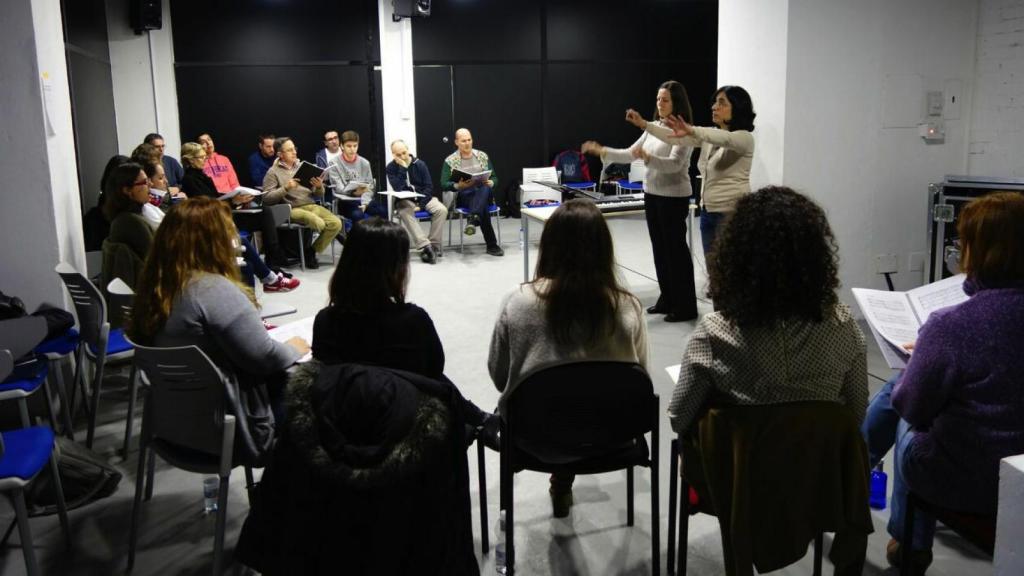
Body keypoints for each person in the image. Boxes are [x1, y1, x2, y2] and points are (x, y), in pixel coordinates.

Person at [862, 191, 1024, 574]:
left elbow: (912, 408)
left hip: (966, 478)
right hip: (1018, 471)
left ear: (980, 252)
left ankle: (907, 539)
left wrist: (922, 357)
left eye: (962, 244)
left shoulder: (952, 324)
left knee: (904, 402)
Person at [488, 199, 649, 517]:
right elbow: (639, 372)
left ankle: (560, 482)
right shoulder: (627, 306)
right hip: (613, 436)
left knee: (556, 400)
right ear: (604, 249)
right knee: (582, 397)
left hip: (535, 436)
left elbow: (498, 374)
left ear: (549, 246)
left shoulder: (518, 301)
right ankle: (561, 484)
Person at [668, 186, 866, 433]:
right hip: (817, 468)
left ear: (735, 258)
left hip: (741, 469)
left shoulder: (714, 335)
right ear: (816, 258)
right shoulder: (843, 327)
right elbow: (857, 415)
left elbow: (679, 418)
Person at [127, 197, 309, 423]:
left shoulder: (157, 285)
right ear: (213, 241)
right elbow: (266, 357)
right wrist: (294, 348)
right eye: (229, 231)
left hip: (173, 418)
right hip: (227, 421)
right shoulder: (213, 290)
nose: (235, 239)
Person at [312, 217, 495, 436]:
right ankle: (478, 418)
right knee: (441, 390)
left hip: (346, 427)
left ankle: (477, 416)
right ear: (396, 268)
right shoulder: (414, 321)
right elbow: (433, 371)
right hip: (407, 430)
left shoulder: (325, 321)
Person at [583, 80, 698, 322]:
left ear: (676, 102)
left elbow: (675, 165)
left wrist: (648, 158)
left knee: (675, 251)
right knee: (660, 249)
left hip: (674, 196)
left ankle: (685, 305)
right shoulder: (653, 128)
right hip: (652, 194)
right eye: (658, 99)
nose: (660, 103)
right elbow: (629, 153)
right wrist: (602, 151)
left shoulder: (686, 130)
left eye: (665, 99)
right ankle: (667, 298)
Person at [627, 85, 755, 257]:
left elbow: (726, 139)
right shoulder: (709, 136)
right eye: (715, 102)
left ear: (738, 108)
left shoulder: (744, 138)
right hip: (708, 213)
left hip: (731, 214)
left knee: (731, 272)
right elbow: (673, 137)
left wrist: (692, 130)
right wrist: (644, 124)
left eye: (721, 103)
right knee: (714, 272)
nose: (714, 107)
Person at [141, 160, 299, 293]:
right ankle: (269, 279)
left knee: (248, 256)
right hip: (187, 246)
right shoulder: (150, 207)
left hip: (199, 230)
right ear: (148, 182)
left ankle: (269, 278)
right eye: (161, 178)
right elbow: (173, 229)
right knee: (240, 247)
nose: (167, 182)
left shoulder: (161, 201)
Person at [262, 137, 341, 269]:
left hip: (311, 204)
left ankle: (311, 251)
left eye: (294, 149)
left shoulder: (303, 166)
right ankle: (308, 252)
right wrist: (286, 188)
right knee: (318, 223)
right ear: (280, 154)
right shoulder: (273, 172)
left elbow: (318, 195)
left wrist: (319, 186)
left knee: (336, 223)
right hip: (291, 208)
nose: (294, 152)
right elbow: (267, 198)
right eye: (289, 150)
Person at [440, 128, 503, 256]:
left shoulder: (482, 156)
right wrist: (458, 185)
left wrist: (492, 183)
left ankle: (473, 219)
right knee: (482, 206)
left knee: (484, 188)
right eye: (463, 141)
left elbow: (495, 178)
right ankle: (491, 245)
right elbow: (443, 184)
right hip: (464, 195)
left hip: (485, 191)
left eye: (469, 140)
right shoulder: (450, 160)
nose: (467, 143)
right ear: (456, 142)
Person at [385, 139, 447, 264]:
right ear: (393, 155)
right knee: (405, 212)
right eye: (398, 155)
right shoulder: (391, 168)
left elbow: (428, 186)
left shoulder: (420, 164)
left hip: (424, 198)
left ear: (408, 149)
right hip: (405, 200)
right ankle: (425, 246)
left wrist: (422, 205)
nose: (402, 156)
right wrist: (402, 168)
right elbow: (398, 188)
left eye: (404, 152)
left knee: (441, 210)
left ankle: (433, 246)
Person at [323, 130, 385, 222]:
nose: (352, 149)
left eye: (355, 146)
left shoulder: (364, 163)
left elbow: (370, 187)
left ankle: (379, 235)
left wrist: (365, 203)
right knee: (357, 215)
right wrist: (353, 192)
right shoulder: (334, 163)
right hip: (345, 201)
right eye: (349, 146)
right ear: (342, 146)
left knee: (382, 211)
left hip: (363, 198)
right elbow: (338, 188)